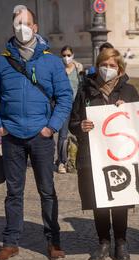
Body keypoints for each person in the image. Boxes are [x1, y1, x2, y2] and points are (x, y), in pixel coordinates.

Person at [0, 6, 73, 260]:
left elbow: (65, 97)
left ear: (35, 27)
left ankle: (53, 241)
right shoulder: (0, 62)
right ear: (13, 27)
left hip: (41, 136)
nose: (23, 27)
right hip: (12, 136)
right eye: (18, 23)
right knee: (14, 192)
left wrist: (51, 127)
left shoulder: (52, 62)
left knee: (47, 191)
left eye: (27, 23)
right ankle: (11, 242)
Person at [69, 48, 139, 260]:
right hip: (93, 156)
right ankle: (103, 242)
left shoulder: (129, 91)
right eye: (104, 64)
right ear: (97, 65)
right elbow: (73, 122)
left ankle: (121, 242)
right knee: (98, 200)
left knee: (119, 199)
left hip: (120, 156)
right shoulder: (84, 91)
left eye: (112, 66)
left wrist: (129, 111)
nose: (107, 69)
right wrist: (80, 126)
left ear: (119, 68)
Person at [57, 45, 83, 174]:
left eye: (68, 55)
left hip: (77, 106)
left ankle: (74, 160)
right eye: (64, 55)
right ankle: (62, 161)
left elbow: (82, 85)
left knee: (78, 133)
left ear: (72, 55)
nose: (66, 58)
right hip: (63, 106)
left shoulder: (78, 69)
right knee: (62, 135)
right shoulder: (58, 69)